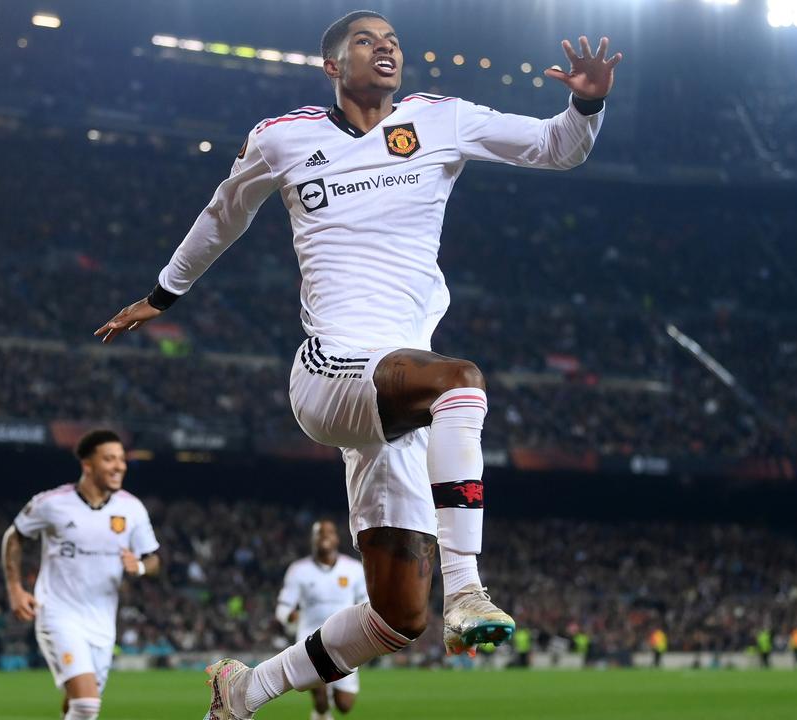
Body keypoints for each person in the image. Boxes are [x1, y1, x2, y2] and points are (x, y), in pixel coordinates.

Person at [94, 10, 619, 719]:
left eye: (394, 42)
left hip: (393, 400)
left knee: (397, 617)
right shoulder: (283, 137)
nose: (387, 50)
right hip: (330, 368)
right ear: (332, 65)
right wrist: (163, 293)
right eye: (367, 42)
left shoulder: (442, 119)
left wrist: (586, 102)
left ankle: (244, 690)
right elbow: (224, 214)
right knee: (460, 383)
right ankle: (466, 588)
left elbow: (559, 148)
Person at [2, 428, 162, 720]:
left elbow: (153, 560)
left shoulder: (132, 508)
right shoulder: (52, 503)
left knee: (76, 704)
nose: (120, 466)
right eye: (110, 459)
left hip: (102, 623)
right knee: (88, 704)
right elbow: (14, 536)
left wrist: (138, 567)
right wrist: (15, 588)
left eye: (121, 459)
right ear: (87, 465)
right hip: (58, 613)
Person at [276, 519, 368, 720]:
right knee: (320, 698)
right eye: (319, 533)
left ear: (337, 539)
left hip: (345, 639)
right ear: (312, 540)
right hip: (310, 639)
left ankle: (329, 700)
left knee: (345, 705)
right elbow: (282, 607)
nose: (324, 536)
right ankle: (321, 709)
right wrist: (289, 616)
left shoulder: (353, 569)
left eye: (329, 532)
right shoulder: (298, 570)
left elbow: (366, 602)